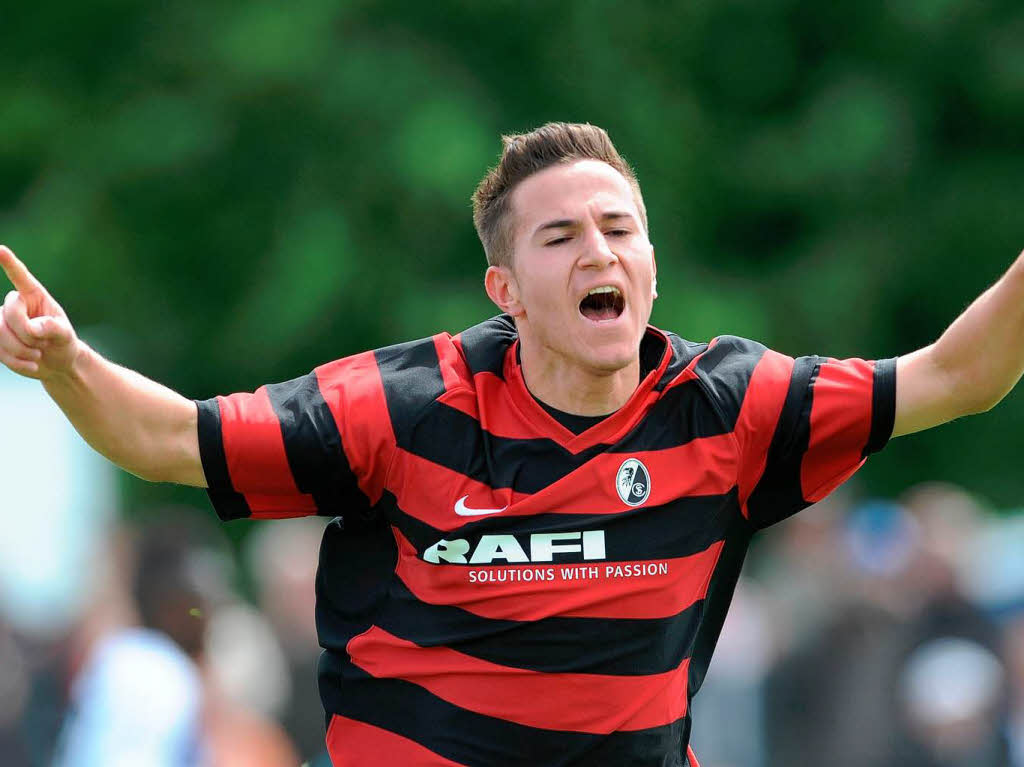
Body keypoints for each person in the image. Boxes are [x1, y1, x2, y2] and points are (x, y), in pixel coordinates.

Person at [1, 122, 1022, 767]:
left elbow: (956, 375)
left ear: (653, 265)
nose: (598, 250)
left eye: (619, 228)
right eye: (560, 236)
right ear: (506, 290)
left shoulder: (729, 404)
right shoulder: (398, 407)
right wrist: (65, 363)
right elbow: (170, 439)